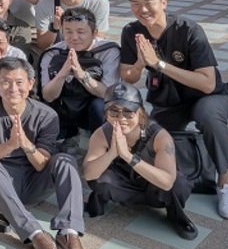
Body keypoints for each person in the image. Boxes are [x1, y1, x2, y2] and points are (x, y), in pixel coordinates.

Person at [120, 0, 228, 220]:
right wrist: (140, 63)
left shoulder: (189, 30)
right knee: (150, 136)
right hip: (169, 100)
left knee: (209, 118)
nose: (142, 10)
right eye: (135, 4)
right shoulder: (132, 31)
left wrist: (159, 64)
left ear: (164, 2)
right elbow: (127, 76)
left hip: (208, 96)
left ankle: (225, 183)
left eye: (148, 2)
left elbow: (207, 82)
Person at [0, 57, 88, 249]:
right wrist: (8, 145)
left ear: (30, 84)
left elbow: (42, 163)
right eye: (6, 82)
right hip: (3, 183)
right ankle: (35, 234)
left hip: (36, 180)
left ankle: (69, 233)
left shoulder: (47, 115)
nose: (13, 88)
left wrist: (25, 144)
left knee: (65, 160)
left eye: (19, 82)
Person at [81, 84, 197, 240]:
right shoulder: (102, 133)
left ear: (141, 115)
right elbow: (89, 174)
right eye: (114, 112)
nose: (121, 119)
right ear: (106, 115)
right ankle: (98, 203)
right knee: (100, 179)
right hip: (124, 186)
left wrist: (129, 157)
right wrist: (112, 153)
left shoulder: (160, 136)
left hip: (155, 189)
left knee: (179, 184)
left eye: (128, 113)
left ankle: (175, 215)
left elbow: (167, 182)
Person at [40, 7, 119, 141]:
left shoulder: (109, 51)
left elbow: (108, 93)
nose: (74, 38)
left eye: (81, 32)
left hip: (92, 107)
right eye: (68, 32)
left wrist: (81, 74)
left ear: (94, 33)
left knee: (101, 105)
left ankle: (102, 144)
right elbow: (47, 96)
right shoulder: (52, 53)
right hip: (63, 107)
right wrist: (63, 73)